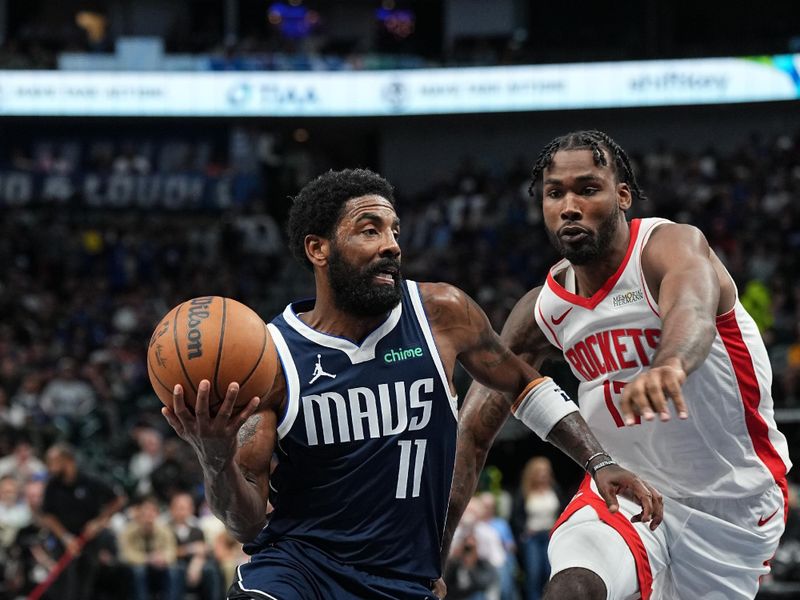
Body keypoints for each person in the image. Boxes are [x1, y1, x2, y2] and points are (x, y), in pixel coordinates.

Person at [161, 168, 661, 600]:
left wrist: (598, 460)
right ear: (318, 248)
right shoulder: (270, 357)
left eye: (394, 230)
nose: (392, 245)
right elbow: (248, 524)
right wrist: (215, 455)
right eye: (369, 230)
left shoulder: (442, 313)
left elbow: (523, 385)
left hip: (403, 581)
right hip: (301, 573)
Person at [447, 130, 792, 600]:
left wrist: (670, 363)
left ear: (622, 195)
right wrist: (434, 555)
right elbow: (474, 431)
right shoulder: (542, 310)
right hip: (623, 487)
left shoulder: (669, 247)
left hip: (730, 505)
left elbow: (691, 308)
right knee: (572, 588)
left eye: (587, 189)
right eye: (555, 193)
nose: (569, 205)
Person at [39, 442, 127, 600]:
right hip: (63, 541)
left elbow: (119, 499)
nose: (49, 467)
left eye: (53, 462)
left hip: (88, 539)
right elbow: (48, 514)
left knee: (85, 582)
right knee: (62, 582)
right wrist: (65, 537)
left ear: (67, 461)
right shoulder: (52, 484)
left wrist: (99, 522)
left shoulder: (90, 479)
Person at [510, 457, 563, 600]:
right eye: (540, 471)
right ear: (532, 473)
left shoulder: (554, 489)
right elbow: (516, 516)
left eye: (546, 471)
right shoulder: (524, 491)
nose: (543, 474)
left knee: (550, 572)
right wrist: (523, 532)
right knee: (533, 574)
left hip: (550, 535)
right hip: (532, 537)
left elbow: (562, 511)